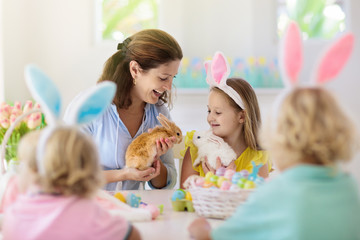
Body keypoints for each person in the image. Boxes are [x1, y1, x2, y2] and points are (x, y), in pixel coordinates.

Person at [188, 87, 360, 240]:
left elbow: (214, 237)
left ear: (279, 139)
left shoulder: (274, 193)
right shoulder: (349, 187)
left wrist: (200, 229)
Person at [65, 29, 183, 191]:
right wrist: (124, 174)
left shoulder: (158, 112)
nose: (169, 87)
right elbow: (68, 174)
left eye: (172, 77)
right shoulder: (89, 107)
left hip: (134, 209)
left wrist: (155, 162)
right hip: (89, 207)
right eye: (163, 78)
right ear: (135, 70)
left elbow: (168, 182)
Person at [3, 127, 141, 240]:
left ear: (34, 172)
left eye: (23, 165)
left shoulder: (13, 216)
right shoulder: (91, 214)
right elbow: (133, 235)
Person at [180, 52, 271, 188]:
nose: (210, 118)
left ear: (241, 116)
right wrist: (211, 183)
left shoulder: (257, 158)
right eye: (209, 111)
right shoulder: (197, 147)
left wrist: (223, 184)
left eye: (218, 112)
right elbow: (183, 199)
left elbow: (258, 204)